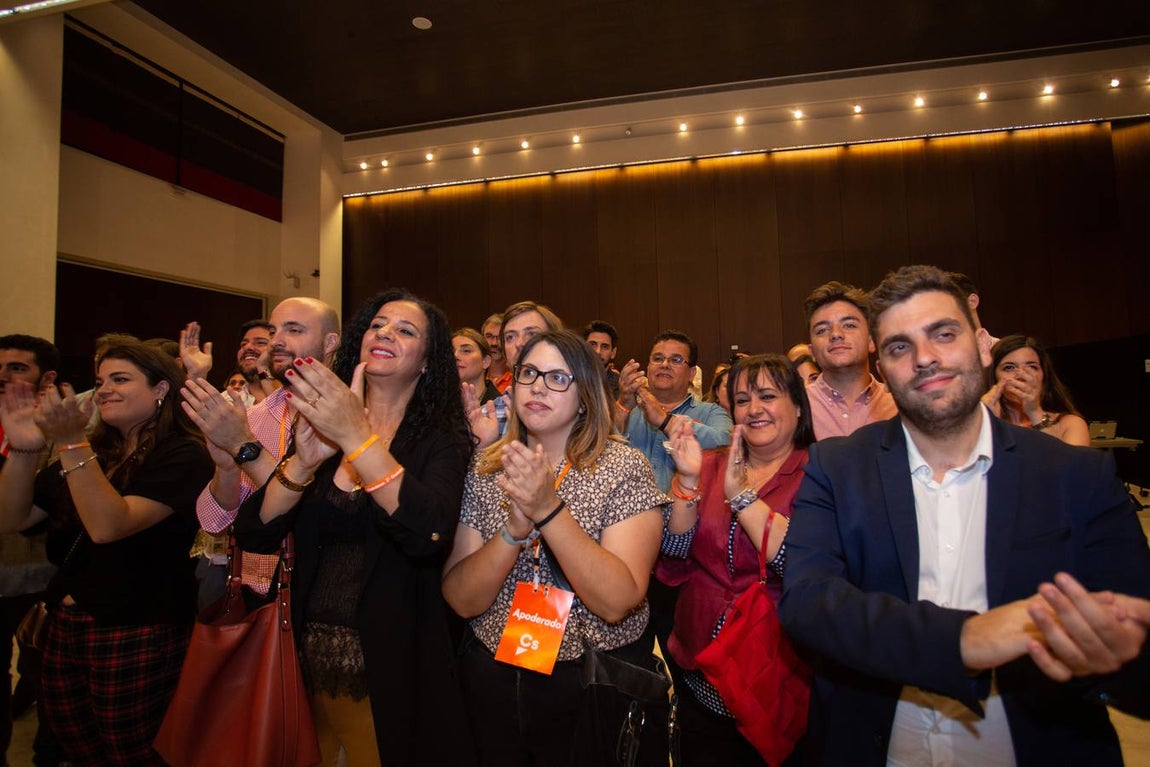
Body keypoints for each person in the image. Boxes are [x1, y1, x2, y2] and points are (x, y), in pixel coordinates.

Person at [778, 265, 1150, 766]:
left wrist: (1122, 658)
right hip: (875, 745)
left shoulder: (1076, 475)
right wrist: (968, 640)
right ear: (882, 366)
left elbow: (1137, 649)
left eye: (943, 334)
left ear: (981, 345)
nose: (925, 358)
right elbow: (808, 603)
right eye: (900, 347)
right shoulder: (837, 467)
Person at [234, 289, 475, 767]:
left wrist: (355, 436)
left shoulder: (440, 439)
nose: (385, 333)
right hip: (302, 653)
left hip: (390, 659)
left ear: (427, 362)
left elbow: (426, 534)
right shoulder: (321, 423)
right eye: (377, 325)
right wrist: (302, 464)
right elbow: (255, 530)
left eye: (405, 331)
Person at [442, 329, 666, 766]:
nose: (539, 386)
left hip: (590, 679)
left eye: (558, 377)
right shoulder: (488, 466)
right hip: (493, 673)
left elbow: (617, 601)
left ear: (585, 396)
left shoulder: (621, 467)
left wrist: (547, 508)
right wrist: (511, 532)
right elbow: (461, 599)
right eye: (529, 373)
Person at [0, 341, 213, 766]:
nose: (103, 391)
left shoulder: (183, 455)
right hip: (65, 626)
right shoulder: (97, 448)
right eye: (99, 381)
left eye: (120, 379)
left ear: (161, 390)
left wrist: (71, 442)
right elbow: (13, 519)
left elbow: (108, 526)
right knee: (79, 750)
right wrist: (24, 449)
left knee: (132, 753)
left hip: (137, 628)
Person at [660, 354, 813, 764]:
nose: (754, 409)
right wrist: (689, 482)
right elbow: (675, 552)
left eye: (767, 396)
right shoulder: (710, 463)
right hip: (701, 661)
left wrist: (742, 496)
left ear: (798, 407)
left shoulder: (818, 474)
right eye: (743, 400)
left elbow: (800, 567)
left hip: (773, 669)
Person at [182, 297, 341, 606]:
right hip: (258, 593)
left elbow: (314, 515)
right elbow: (215, 521)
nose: (277, 341)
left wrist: (245, 449)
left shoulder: (351, 418)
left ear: (330, 341)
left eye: (293, 330)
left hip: (323, 595)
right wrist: (227, 467)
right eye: (274, 331)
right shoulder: (255, 417)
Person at [0, 334, 59, 765]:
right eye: (1, 368)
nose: (4, 377)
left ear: (47, 377)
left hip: (40, 576)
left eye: (17, 368)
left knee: (46, 677)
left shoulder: (65, 429)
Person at [615, 330, 733, 491]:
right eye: (658, 358)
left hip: (689, 512)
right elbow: (597, 452)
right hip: (629, 514)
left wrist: (666, 421)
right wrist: (623, 405)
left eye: (675, 360)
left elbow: (726, 446)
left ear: (692, 373)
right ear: (648, 367)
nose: (664, 365)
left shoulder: (711, 412)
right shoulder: (627, 410)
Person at [803, 281, 897, 440]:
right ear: (812, 352)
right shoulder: (796, 408)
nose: (835, 334)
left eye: (849, 325)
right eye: (822, 330)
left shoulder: (898, 404)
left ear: (872, 341)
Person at [984, 334, 1090, 447]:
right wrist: (985, 423)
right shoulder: (985, 425)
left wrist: (1035, 412)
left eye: (1031, 367)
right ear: (994, 377)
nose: (1021, 375)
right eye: (1009, 367)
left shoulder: (1070, 424)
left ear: (1044, 376)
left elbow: (1069, 464)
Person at [453, 327, 500, 405]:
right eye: (451, 351)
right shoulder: (438, 404)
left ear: (486, 362)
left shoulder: (501, 407)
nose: (455, 356)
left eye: (466, 350)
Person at [583, 319, 621, 400]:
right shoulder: (572, 379)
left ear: (613, 353)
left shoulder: (621, 385)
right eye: (592, 345)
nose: (598, 351)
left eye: (604, 347)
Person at [482, 313, 511, 394]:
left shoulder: (518, 379)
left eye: (500, 337)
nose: (494, 343)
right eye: (489, 336)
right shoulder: (475, 376)